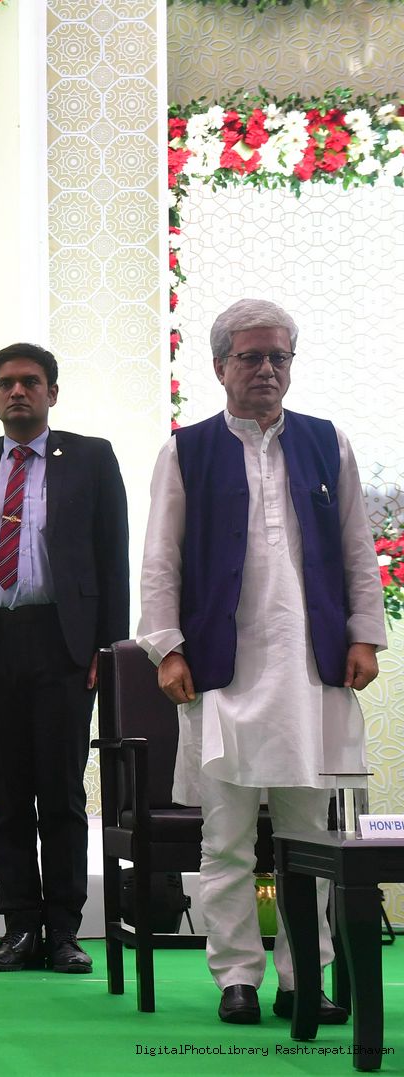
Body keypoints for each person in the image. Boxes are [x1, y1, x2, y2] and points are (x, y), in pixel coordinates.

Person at [136, 298, 385, 1025]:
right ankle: (237, 977)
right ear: (220, 367)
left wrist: (364, 635)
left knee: (311, 841)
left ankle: (305, 975)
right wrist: (166, 647)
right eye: (251, 357)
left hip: (312, 676)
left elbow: (357, 548)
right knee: (227, 838)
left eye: (280, 356)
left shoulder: (327, 443)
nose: (267, 369)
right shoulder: (186, 450)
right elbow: (160, 559)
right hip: (224, 673)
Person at [0, 342, 129, 975]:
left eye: (30, 381)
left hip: (64, 643)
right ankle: (19, 927)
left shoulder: (92, 458)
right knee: (8, 794)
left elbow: (113, 557)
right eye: (6, 383)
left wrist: (108, 648)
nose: (17, 391)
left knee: (62, 793)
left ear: (52, 392)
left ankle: (65, 931)